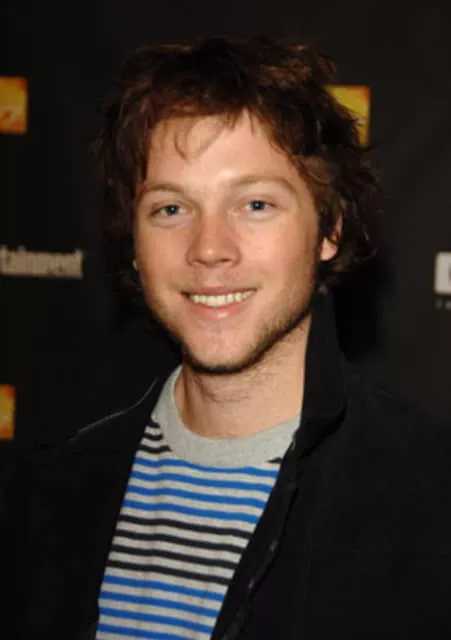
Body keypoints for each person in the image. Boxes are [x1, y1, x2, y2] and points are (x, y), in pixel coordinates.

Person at [2, 37, 451, 640]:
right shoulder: (46, 495)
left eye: (255, 204)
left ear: (328, 229)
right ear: (133, 244)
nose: (209, 248)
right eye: (171, 209)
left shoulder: (430, 499)